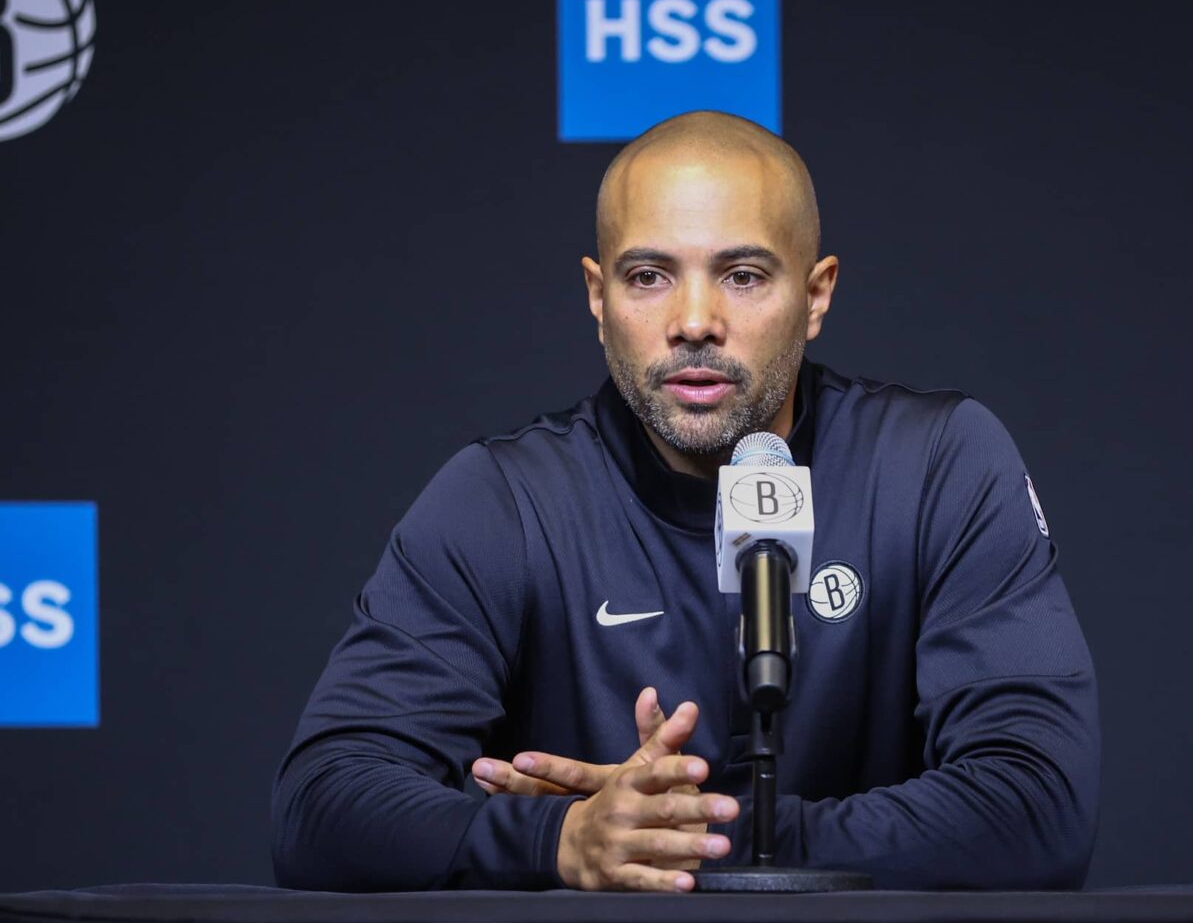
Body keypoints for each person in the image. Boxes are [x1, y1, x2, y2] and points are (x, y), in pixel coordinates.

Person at [270, 111, 1100, 893]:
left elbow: (1037, 805)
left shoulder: (935, 463)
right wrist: (563, 841)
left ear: (816, 296)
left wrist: (672, 838)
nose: (694, 321)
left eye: (741, 275)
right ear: (598, 299)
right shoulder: (504, 499)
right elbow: (323, 807)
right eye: (649, 276)